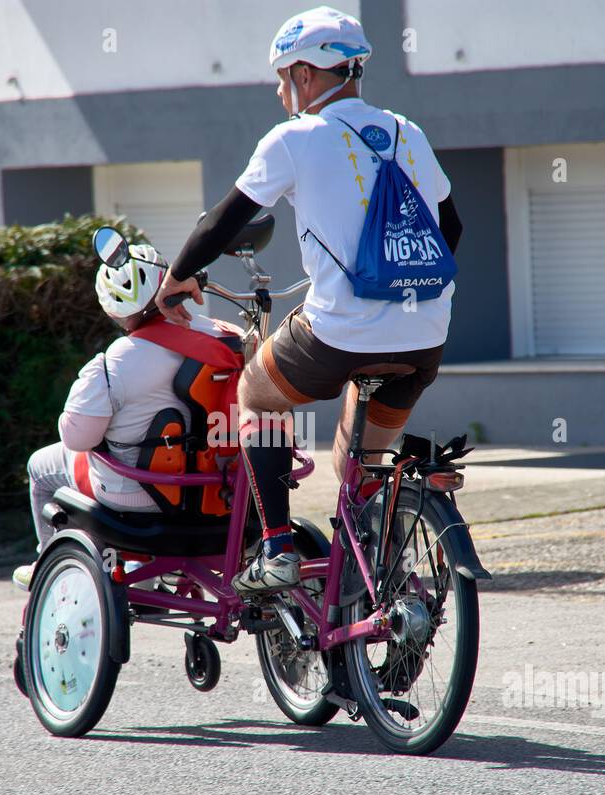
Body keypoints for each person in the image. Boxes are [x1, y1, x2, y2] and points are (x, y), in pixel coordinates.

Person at [154, 5, 462, 597]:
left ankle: (275, 551)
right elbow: (451, 229)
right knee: (363, 466)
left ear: (304, 74)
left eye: (282, 76)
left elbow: (224, 221)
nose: (279, 92)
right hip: (425, 337)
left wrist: (177, 277)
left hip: (337, 336)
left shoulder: (294, 139)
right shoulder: (407, 131)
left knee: (254, 392)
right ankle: (378, 579)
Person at [14, 243, 243, 590]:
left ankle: (48, 566)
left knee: (40, 466)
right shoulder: (231, 339)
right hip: (226, 497)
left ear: (112, 309)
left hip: (137, 504)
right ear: (171, 284)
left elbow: (77, 439)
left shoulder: (112, 364)